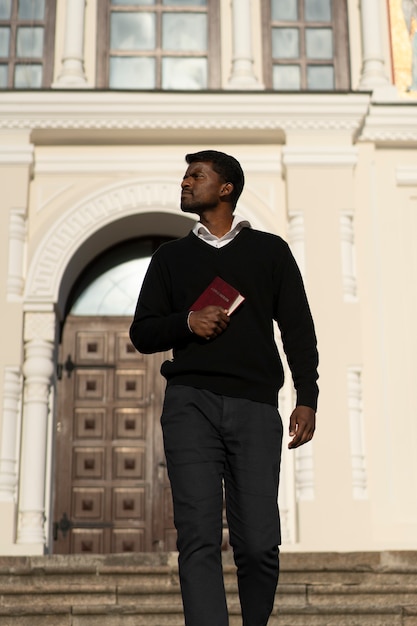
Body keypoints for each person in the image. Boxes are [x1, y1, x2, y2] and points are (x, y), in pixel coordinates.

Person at [129, 150, 319, 626]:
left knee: (258, 542)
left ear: (227, 188)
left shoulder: (270, 251)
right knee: (197, 535)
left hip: (256, 408)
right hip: (189, 405)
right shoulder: (170, 258)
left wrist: (307, 396)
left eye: (197, 176)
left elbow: (298, 328)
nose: (186, 182)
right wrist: (187, 322)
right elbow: (143, 332)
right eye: (186, 175)